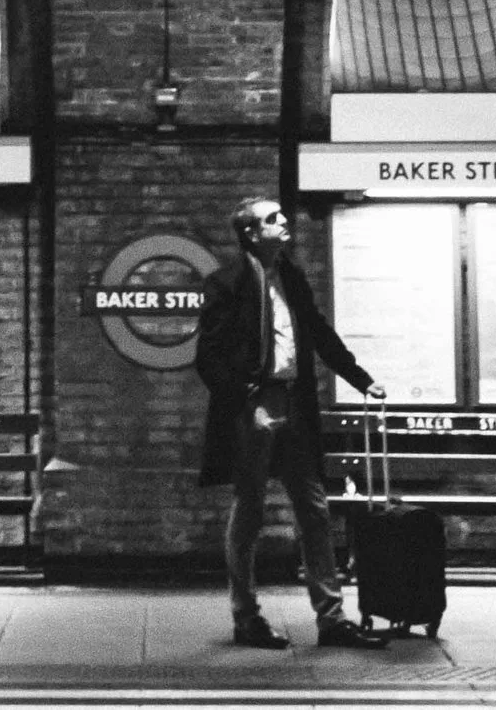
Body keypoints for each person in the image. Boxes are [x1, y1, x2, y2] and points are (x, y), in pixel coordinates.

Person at [195, 195, 391, 650]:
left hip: (296, 406)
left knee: (315, 509)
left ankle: (332, 618)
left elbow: (319, 333)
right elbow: (209, 359)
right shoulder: (226, 284)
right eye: (272, 219)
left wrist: (361, 379)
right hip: (254, 407)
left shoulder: (293, 277)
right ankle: (247, 617)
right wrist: (250, 405)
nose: (283, 223)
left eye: (282, 216)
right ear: (250, 234)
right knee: (249, 513)